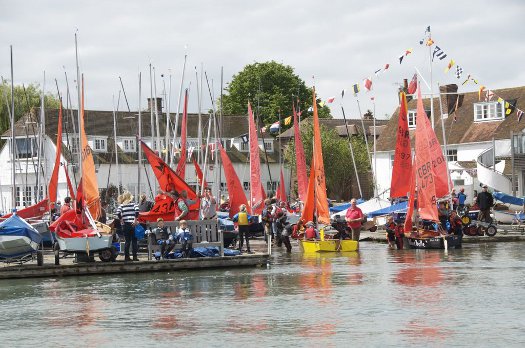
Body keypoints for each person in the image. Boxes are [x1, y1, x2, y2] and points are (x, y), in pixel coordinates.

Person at [116, 191, 140, 261]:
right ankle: (135, 257)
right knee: (134, 241)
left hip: (125, 225)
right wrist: (135, 220)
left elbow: (118, 213)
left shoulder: (121, 205)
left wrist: (121, 220)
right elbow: (137, 210)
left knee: (127, 241)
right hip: (133, 224)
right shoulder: (133, 204)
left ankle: (127, 257)